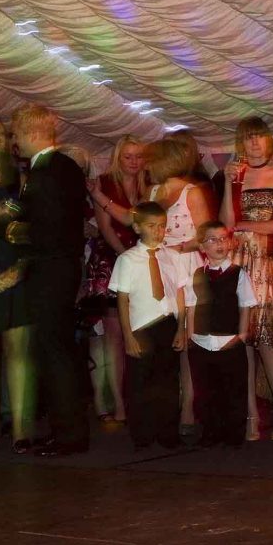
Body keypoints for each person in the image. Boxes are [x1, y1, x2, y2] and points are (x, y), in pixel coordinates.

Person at [9, 105, 89, 457]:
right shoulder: (63, 166)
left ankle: (69, 435)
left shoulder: (48, 170)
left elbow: (49, 228)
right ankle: (65, 430)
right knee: (58, 350)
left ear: (30, 133)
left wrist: (15, 228)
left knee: (55, 352)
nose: (14, 142)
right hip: (60, 269)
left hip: (51, 270)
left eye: (15, 135)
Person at [219, 117, 273, 441]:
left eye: (259, 138)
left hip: (269, 263)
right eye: (248, 139)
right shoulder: (234, 176)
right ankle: (251, 415)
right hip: (239, 262)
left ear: (268, 140)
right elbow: (225, 223)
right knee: (244, 340)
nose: (254, 144)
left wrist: (246, 228)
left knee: (267, 341)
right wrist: (227, 183)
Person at [146, 138, 213, 436]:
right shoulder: (153, 192)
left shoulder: (192, 192)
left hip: (186, 267)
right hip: (161, 269)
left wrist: (181, 245)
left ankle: (188, 410)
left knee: (186, 341)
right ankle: (163, 410)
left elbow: (207, 235)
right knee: (161, 341)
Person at [108, 202, 187, 450]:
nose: (158, 231)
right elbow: (122, 299)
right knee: (140, 383)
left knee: (167, 381)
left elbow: (180, 293)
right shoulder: (127, 259)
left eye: (162, 226)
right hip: (142, 327)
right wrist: (128, 335)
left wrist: (181, 327)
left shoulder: (173, 257)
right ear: (138, 227)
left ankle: (168, 432)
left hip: (168, 323)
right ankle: (142, 434)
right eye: (151, 226)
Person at [0, 117, 34, 455]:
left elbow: (32, 235)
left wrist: (18, 271)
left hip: (16, 275)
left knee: (19, 354)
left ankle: (20, 430)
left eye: (1, 133)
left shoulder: (21, 181)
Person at [87, 136, 146, 424]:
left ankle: (136, 400)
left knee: (139, 333)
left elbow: (140, 221)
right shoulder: (104, 182)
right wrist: (126, 258)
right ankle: (119, 404)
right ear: (118, 158)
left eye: (138, 156)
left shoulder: (148, 183)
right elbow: (106, 227)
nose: (134, 162)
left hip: (142, 261)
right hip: (113, 260)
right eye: (128, 156)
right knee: (114, 336)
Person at [185, 221, 256, 447]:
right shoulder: (196, 274)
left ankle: (233, 434)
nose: (219, 244)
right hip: (202, 341)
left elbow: (246, 304)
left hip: (230, 340)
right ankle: (209, 431)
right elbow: (191, 305)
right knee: (205, 391)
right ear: (202, 247)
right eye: (212, 240)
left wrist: (242, 335)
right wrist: (191, 337)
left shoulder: (238, 273)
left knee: (233, 389)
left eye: (223, 238)